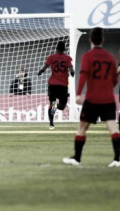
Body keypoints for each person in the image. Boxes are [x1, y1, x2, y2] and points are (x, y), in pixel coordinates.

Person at [63, 27, 119, 167]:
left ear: (90, 39)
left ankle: (77, 158)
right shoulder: (110, 57)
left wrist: (78, 94)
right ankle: (117, 159)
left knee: (82, 127)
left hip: (92, 99)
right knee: (113, 128)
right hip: (108, 99)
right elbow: (115, 80)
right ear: (103, 40)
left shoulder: (87, 56)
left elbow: (83, 76)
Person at [38, 41, 75, 130]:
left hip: (53, 84)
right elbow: (71, 69)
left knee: (52, 103)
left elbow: (44, 67)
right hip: (63, 85)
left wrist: (40, 72)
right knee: (62, 106)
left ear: (56, 48)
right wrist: (72, 73)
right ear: (64, 49)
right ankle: (52, 119)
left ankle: (51, 123)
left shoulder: (51, 57)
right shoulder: (67, 58)